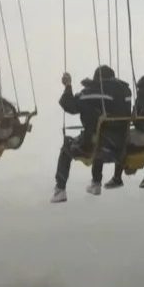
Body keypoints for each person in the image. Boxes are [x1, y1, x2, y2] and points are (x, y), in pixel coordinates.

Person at [51, 65, 131, 203]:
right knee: (99, 134)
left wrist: (68, 85)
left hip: (99, 144)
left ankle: (60, 190)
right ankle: (95, 182)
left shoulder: (92, 92)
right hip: (121, 143)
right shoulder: (126, 92)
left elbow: (69, 105)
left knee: (67, 147)